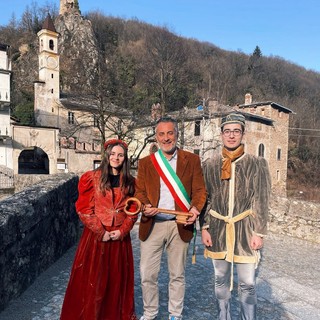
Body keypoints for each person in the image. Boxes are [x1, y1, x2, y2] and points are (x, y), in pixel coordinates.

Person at [200, 113, 271, 320]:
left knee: (247, 283)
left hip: (246, 229)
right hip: (217, 228)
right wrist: (204, 227)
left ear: (243, 134)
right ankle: (223, 317)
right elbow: (206, 198)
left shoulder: (256, 164)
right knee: (220, 278)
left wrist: (259, 232)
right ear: (221, 134)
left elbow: (262, 200)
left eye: (236, 131)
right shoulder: (210, 164)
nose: (232, 136)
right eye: (227, 131)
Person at [135, 116, 207, 320]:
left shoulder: (191, 160)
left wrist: (195, 210)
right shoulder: (146, 163)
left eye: (170, 133)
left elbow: (200, 191)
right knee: (148, 275)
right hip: (153, 225)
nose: (166, 138)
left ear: (176, 134)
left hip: (180, 225)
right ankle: (150, 312)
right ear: (156, 137)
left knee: (177, 275)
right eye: (161, 134)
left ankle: (175, 314)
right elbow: (139, 192)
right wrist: (144, 205)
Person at [60, 139, 138, 320]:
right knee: (95, 281)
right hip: (96, 238)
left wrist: (123, 231)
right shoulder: (92, 178)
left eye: (120, 155)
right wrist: (101, 232)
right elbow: (84, 208)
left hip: (119, 238)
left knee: (116, 281)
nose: (116, 158)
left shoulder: (130, 182)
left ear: (125, 158)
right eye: (113, 154)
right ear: (106, 156)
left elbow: (134, 209)